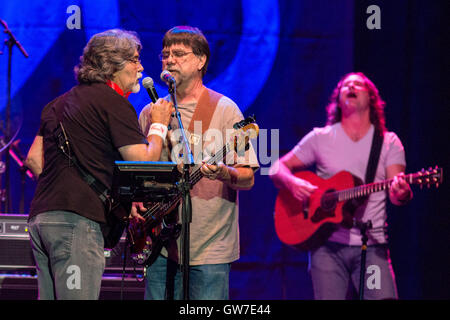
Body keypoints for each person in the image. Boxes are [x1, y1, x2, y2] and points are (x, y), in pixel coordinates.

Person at [25, 29, 173, 300]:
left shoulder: (56, 105)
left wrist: (66, 189)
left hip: (41, 220)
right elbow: (144, 160)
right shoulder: (113, 103)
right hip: (76, 226)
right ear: (113, 64)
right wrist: (159, 123)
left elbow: (34, 159)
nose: (141, 67)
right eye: (135, 60)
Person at [137, 26, 259, 300]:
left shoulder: (225, 109)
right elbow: (139, 173)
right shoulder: (151, 112)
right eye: (165, 54)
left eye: (179, 54)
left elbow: (248, 177)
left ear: (201, 60)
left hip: (210, 246)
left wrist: (223, 172)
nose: (169, 60)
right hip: (160, 244)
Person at [269, 72, 413, 300]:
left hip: (372, 245)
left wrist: (402, 192)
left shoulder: (388, 142)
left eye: (358, 84)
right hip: (326, 248)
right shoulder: (321, 137)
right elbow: (277, 168)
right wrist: (293, 182)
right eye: (346, 85)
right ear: (338, 99)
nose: (351, 86)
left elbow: (397, 193)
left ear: (372, 98)